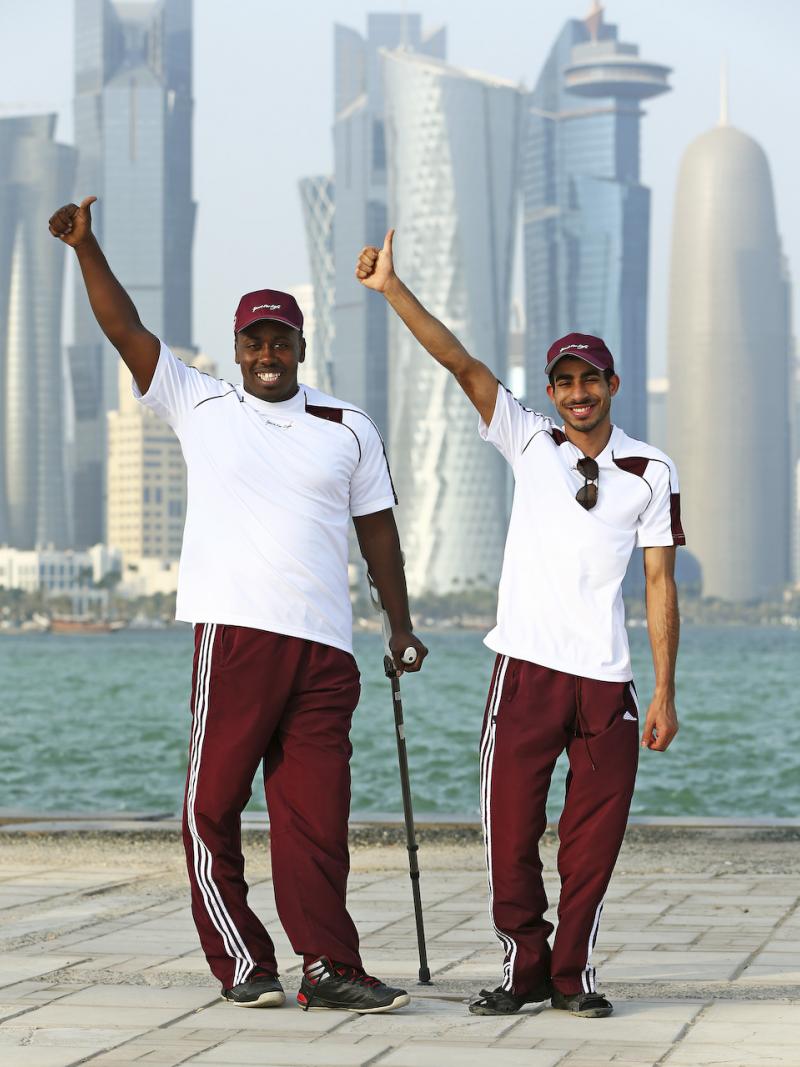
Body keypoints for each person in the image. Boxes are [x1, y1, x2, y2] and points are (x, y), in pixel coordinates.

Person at [50, 197, 428, 1014]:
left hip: (327, 650)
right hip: (238, 637)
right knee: (211, 804)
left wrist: (399, 625)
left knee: (316, 821)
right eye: (254, 339)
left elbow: (380, 536)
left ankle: (328, 964)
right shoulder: (200, 402)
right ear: (236, 348)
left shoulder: (348, 425)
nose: (267, 352)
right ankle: (242, 959)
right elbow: (126, 330)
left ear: (301, 345)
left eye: (279, 339)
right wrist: (88, 249)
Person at [356, 230, 684, 1019]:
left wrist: (665, 692)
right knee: (509, 830)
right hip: (525, 670)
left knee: (592, 842)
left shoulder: (651, 470)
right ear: (553, 388)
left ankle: (573, 975)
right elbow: (460, 361)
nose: (577, 393)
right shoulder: (527, 436)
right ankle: (523, 965)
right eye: (564, 380)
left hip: (606, 679)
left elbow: (660, 583)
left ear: (612, 383)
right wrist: (393, 289)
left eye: (589, 380)